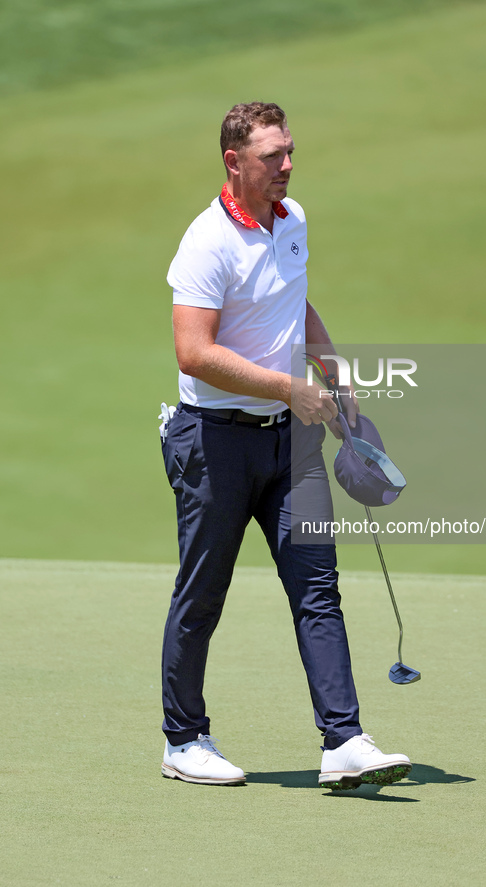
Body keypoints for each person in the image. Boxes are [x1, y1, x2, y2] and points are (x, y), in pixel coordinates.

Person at [160, 101, 411, 789]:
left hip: (290, 440)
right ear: (233, 162)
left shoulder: (292, 220)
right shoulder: (206, 241)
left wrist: (334, 377)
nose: (288, 165)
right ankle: (183, 740)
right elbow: (192, 352)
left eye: (290, 151)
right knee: (203, 591)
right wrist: (287, 388)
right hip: (214, 441)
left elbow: (292, 304)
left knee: (317, 589)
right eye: (273, 156)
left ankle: (343, 738)